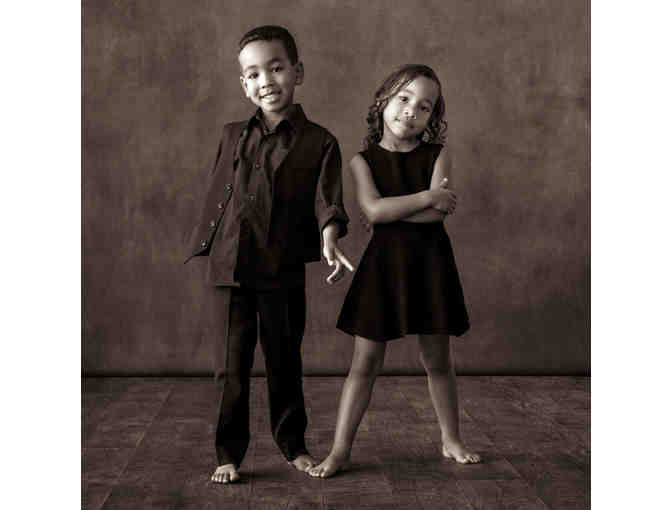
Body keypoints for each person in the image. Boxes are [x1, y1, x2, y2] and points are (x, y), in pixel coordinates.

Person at [184, 25, 353, 484]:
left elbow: (328, 200)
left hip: (282, 269)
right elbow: (221, 193)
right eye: (254, 74)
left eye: (276, 68)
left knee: (284, 361)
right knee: (230, 367)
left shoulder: (320, 141)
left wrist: (330, 236)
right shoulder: (232, 134)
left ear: (298, 72)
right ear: (244, 84)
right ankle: (228, 453)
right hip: (229, 268)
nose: (266, 81)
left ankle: (293, 445)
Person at [309, 64, 481, 479]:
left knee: (438, 360)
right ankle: (339, 451)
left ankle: (451, 439)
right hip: (383, 269)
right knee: (364, 363)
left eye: (425, 107)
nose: (411, 111)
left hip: (432, 266)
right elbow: (373, 211)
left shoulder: (438, 154)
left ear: (433, 115)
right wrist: (426, 196)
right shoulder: (362, 161)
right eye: (404, 99)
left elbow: (436, 216)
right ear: (383, 101)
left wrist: (399, 211)